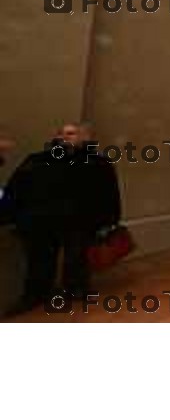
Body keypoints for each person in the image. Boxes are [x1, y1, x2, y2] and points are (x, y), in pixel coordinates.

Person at [0, 122, 121, 313]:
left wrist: (109, 220)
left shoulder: (98, 163)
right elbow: (17, 188)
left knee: (76, 258)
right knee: (39, 261)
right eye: (61, 133)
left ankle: (76, 290)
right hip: (41, 221)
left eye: (71, 133)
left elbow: (109, 193)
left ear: (85, 137)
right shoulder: (38, 160)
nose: (64, 137)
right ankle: (36, 294)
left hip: (79, 222)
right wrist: (11, 215)